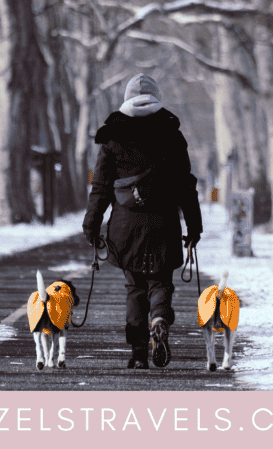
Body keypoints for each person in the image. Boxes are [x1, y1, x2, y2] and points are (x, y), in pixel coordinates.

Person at [83, 73, 202, 370]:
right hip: (164, 221)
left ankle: (138, 351)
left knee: (134, 285)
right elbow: (186, 185)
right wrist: (194, 226)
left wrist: (92, 224)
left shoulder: (113, 136)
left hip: (126, 224)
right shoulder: (172, 134)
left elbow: (101, 187)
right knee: (161, 280)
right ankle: (159, 318)